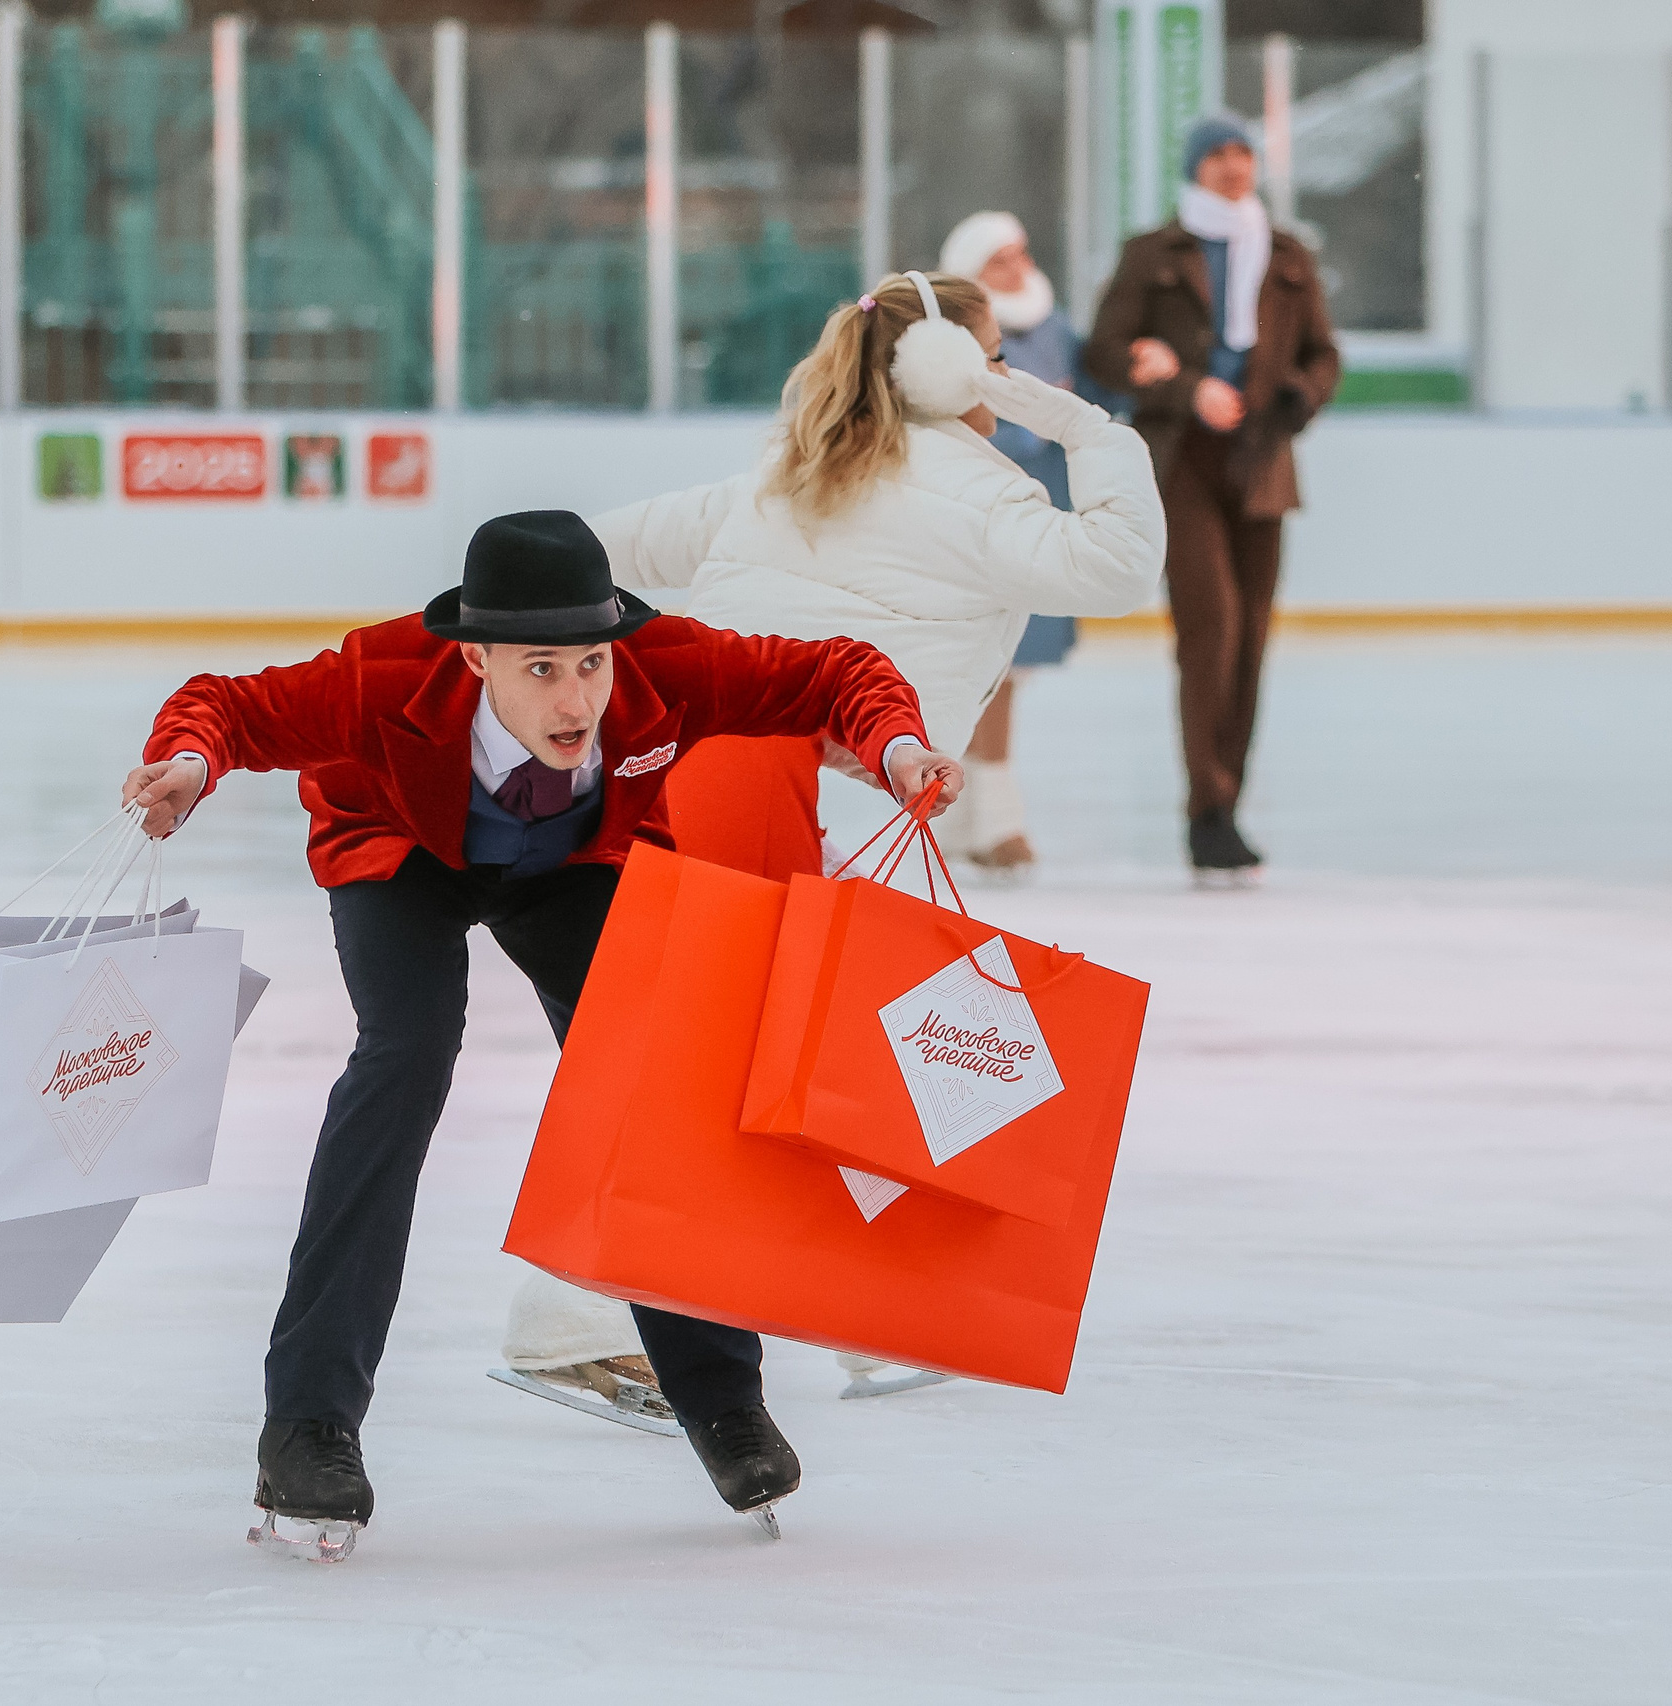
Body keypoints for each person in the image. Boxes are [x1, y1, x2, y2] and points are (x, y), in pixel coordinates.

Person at [123, 510, 960, 1557]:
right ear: (473, 657)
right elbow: (225, 708)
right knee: (404, 1057)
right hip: (402, 855)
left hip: (572, 865)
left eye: (592, 664)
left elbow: (837, 673)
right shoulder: (380, 678)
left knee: (653, 1074)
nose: (577, 698)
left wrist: (896, 743)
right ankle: (308, 1423)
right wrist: (189, 765)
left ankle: (717, 1394)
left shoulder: (667, 671)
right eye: (542, 668)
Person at [496, 268, 1165, 1408]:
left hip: (679, 759)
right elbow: (1118, 565)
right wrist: (1082, 419)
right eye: (991, 359)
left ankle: (843, 1311)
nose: (1004, 381)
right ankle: (573, 1318)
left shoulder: (792, 467)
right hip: (743, 774)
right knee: (736, 1052)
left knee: (761, 1044)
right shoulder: (971, 489)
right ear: (954, 369)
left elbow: (604, 549)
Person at [1088, 112, 1340, 886]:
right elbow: (1101, 353)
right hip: (1182, 464)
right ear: (1194, 166)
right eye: (1218, 155)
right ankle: (1206, 805)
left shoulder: (1289, 254)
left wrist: (1298, 394)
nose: (1233, 166)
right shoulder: (1154, 254)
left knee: (1253, 640)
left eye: (1243, 153)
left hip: (1262, 461)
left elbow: (1324, 355)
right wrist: (1185, 386)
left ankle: (1228, 804)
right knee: (1213, 631)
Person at [937, 210, 1091, 874]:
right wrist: (1041, 417)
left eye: (1021, 252)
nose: (1018, 267)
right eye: (1000, 259)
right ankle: (992, 819)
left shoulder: (1053, 329)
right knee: (988, 666)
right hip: (981, 513)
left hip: (1044, 512)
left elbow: (1093, 392)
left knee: (1009, 670)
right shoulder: (952, 339)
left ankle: (971, 818)